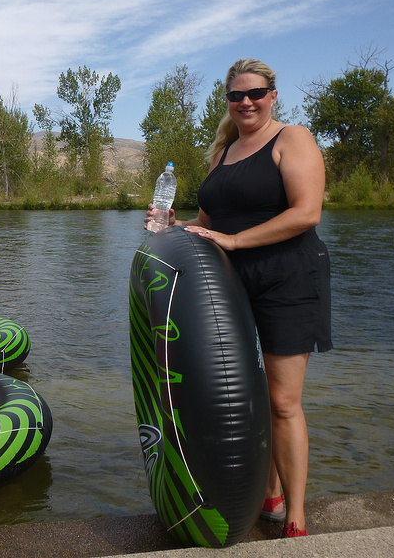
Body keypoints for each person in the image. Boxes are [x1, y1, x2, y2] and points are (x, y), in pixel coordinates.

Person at [146, 58, 332, 539]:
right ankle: (264, 492)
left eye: (256, 93)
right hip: (229, 283)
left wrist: (234, 241)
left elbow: (307, 213)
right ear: (226, 100)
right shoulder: (224, 150)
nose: (246, 102)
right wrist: (172, 228)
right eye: (236, 95)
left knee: (282, 400)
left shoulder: (292, 138)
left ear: (272, 94)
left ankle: (294, 512)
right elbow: (209, 220)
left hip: (286, 278)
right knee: (246, 397)